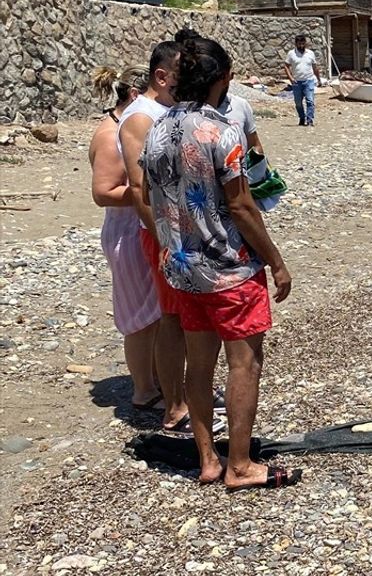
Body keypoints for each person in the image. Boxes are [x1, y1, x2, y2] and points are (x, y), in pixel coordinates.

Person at [142, 36, 300, 491]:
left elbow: (151, 194)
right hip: (227, 269)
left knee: (199, 364)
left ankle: (208, 459)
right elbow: (243, 207)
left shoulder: (157, 129)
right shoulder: (220, 130)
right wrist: (276, 262)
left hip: (183, 268)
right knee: (243, 364)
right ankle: (242, 464)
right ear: (220, 79)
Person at [117, 41, 202, 435]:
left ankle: (186, 392)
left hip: (182, 230)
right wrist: (164, 238)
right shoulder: (140, 118)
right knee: (171, 317)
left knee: (185, 316)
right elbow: (139, 187)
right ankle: (175, 405)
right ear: (162, 76)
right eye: (182, 77)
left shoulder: (167, 112)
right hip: (165, 233)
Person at [89, 65, 163, 409]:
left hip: (138, 227)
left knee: (157, 312)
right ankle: (144, 390)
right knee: (139, 317)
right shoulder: (110, 135)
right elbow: (103, 191)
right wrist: (149, 191)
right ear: (135, 95)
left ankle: (159, 380)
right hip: (126, 232)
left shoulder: (125, 129)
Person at [177, 29, 264, 155]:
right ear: (223, 77)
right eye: (230, 75)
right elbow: (232, 172)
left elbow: (255, 146)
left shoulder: (161, 123)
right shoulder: (226, 131)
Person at [284, 34, 318, 126]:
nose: (301, 46)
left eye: (303, 44)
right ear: (296, 44)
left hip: (309, 80)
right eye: (299, 44)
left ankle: (310, 120)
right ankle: (302, 118)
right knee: (298, 102)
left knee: (310, 101)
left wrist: (318, 79)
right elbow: (286, 66)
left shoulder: (310, 53)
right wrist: (290, 78)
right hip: (296, 82)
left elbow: (315, 67)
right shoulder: (291, 54)